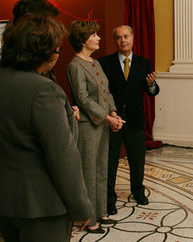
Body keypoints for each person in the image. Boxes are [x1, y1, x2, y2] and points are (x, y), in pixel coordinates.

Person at [0, 14, 93, 242]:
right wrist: (81, 207)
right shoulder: (44, 90)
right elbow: (63, 159)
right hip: (42, 205)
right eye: (57, 49)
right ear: (47, 52)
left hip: (1, 199)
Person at [66, 20, 124, 234]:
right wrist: (107, 118)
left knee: (101, 168)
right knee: (88, 172)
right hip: (87, 126)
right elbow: (82, 99)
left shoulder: (95, 63)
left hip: (103, 123)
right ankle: (88, 218)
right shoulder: (74, 65)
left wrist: (114, 113)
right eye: (94, 35)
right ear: (83, 40)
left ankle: (101, 212)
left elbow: (106, 92)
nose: (99, 38)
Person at [99, 25, 160, 215]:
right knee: (110, 161)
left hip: (135, 119)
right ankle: (109, 198)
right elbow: (103, 92)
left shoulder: (143, 63)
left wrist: (151, 85)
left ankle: (138, 192)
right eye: (118, 37)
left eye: (126, 36)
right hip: (113, 119)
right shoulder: (104, 63)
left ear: (132, 38)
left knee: (137, 159)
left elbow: (153, 91)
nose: (122, 40)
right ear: (115, 40)